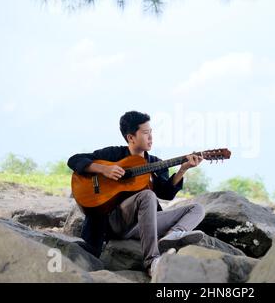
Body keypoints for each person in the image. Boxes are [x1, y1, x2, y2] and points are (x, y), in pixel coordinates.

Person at [67, 111, 206, 277]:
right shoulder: (113, 154)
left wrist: (183, 169)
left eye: (151, 132)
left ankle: (172, 235)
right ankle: (152, 261)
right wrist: (104, 169)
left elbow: (167, 193)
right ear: (131, 137)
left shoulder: (155, 163)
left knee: (197, 209)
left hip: (144, 224)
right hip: (115, 221)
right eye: (146, 133)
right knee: (147, 195)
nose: (151, 138)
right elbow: (74, 160)